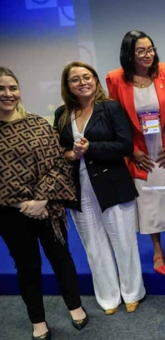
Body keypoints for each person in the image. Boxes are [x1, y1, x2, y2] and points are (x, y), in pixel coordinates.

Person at [0, 66, 88, 340]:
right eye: (1, 89)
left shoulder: (38, 123)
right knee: (27, 266)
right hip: (11, 214)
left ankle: (75, 305)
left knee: (61, 258)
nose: (8, 94)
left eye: (12, 88)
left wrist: (41, 200)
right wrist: (22, 204)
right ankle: (38, 320)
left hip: (48, 208)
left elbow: (58, 164)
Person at [55, 61, 145, 315]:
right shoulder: (62, 113)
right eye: (75, 79)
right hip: (79, 187)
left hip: (113, 184)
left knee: (124, 241)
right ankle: (108, 297)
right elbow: (57, 148)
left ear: (95, 80)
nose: (82, 82)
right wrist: (71, 154)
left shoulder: (111, 108)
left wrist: (90, 148)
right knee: (93, 245)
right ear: (68, 85)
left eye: (87, 76)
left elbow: (125, 145)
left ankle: (132, 292)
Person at [106, 30, 165, 275]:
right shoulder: (116, 79)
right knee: (149, 202)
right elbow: (115, 120)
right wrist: (132, 150)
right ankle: (157, 249)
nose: (148, 55)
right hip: (141, 151)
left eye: (151, 49)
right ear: (129, 54)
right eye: (141, 51)